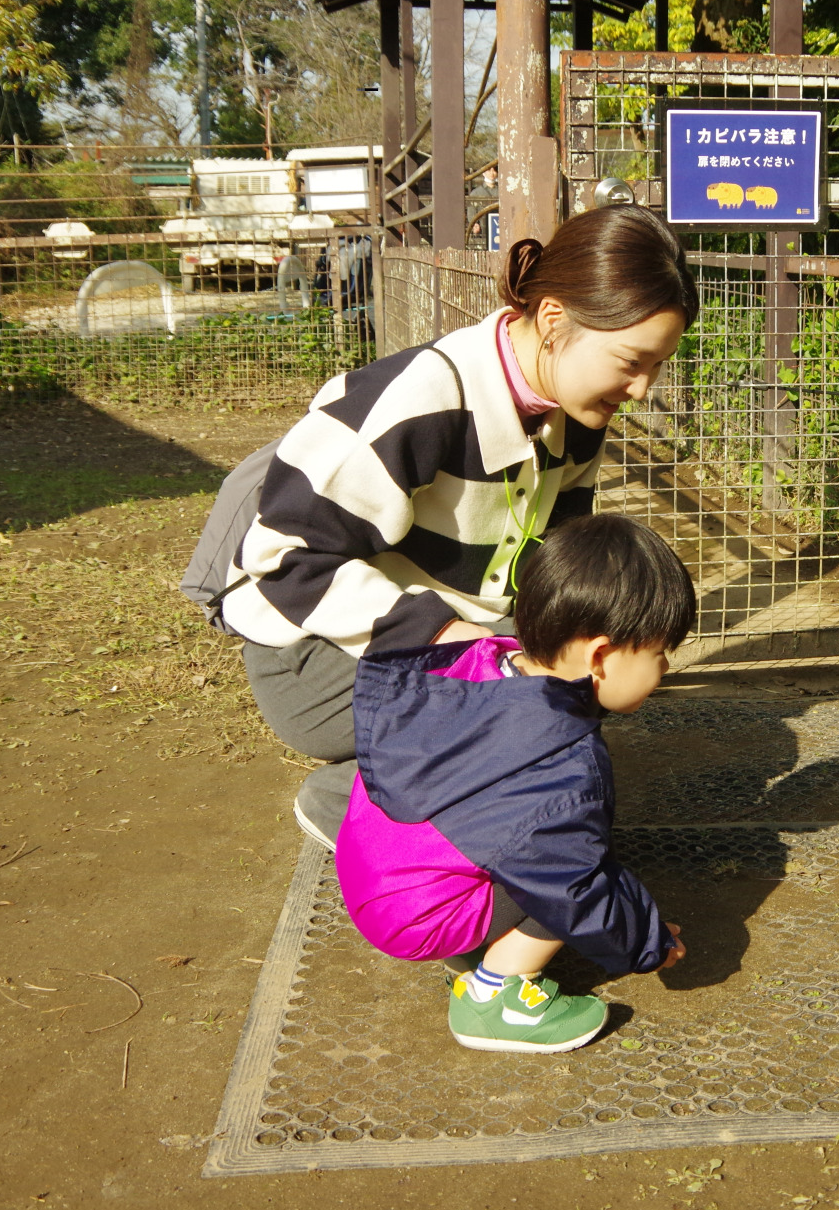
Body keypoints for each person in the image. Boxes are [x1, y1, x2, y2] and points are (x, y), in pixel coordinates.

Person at [217, 205, 698, 848]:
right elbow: (282, 559)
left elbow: (550, 568)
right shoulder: (423, 400)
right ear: (553, 319)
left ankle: (456, 791)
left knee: (573, 671)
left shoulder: (577, 415)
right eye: (631, 361)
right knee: (529, 696)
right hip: (312, 658)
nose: (642, 388)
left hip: (438, 633)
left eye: (657, 365)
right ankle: (352, 808)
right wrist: (461, 642)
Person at [338, 514, 693, 1053]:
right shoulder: (561, 769)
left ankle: (471, 927)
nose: (664, 669)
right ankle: (494, 999)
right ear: (599, 656)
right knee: (581, 868)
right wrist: (647, 939)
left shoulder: (475, 660)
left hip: (372, 867)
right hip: (418, 915)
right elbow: (573, 888)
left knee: (554, 843)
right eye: (660, 654)